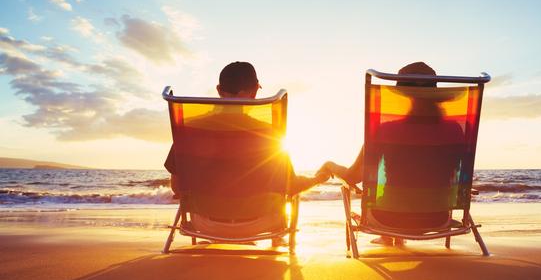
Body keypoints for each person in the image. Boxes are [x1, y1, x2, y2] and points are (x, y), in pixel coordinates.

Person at [165, 61, 331, 243]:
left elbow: (177, 187)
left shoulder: (190, 130)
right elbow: (290, 187)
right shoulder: (270, 134)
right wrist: (317, 179)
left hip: (203, 225)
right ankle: (276, 242)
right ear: (254, 92)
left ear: (219, 90)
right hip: (261, 223)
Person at [320, 62, 464, 246]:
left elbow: (353, 177)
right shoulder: (455, 131)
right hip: (437, 218)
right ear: (435, 95)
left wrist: (330, 165)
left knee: (392, 195)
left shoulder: (386, 130)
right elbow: (453, 176)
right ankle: (393, 237)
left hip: (387, 218)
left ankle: (390, 235)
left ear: (405, 96)